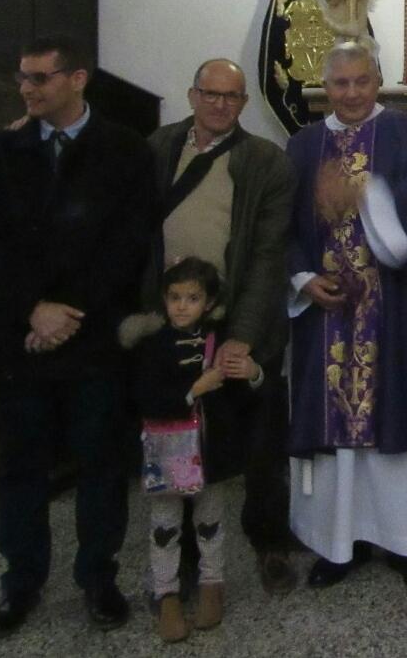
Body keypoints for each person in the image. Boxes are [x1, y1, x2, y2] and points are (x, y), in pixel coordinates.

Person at [0, 35, 155, 639]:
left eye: (41, 78)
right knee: (20, 469)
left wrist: (67, 313)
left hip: (92, 338)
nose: (27, 88)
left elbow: (129, 246)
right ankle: (19, 584)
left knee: (101, 466)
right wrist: (32, 311)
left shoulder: (124, 151)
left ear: (78, 79)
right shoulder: (3, 151)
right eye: (23, 77)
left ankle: (98, 579)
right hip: (21, 340)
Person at [286, 39, 407, 591]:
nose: (351, 93)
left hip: (392, 309)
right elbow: (278, 225)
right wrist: (303, 279)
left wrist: (364, 190)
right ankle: (337, 544)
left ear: (377, 81)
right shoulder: (304, 145)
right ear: (324, 88)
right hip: (324, 313)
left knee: (398, 421)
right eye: (339, 84)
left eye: (361, 81)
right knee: (333, 431)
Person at [147, 58, 299, 595]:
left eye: (232, 97)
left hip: (240, 319)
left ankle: (270, 543)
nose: (221, 105)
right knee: (180, 438)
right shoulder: (157, 149)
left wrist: (245, 336)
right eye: (211, 94)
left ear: (243, 103)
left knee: (260, 443)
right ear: (192, 95)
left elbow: (265, 256)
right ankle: (183, 554)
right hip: (174, 322)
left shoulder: (266, 162)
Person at [128, 257, 265, 642]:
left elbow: (244, 394)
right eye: (175, 297)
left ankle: (212, 585)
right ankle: (166, 593)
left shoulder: (219, 342)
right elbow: (145, 397)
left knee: (210, 523)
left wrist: (252, 372)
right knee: (164, 526)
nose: (182, 306)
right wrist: (194, 390)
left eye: (192, 297)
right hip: (167, 452)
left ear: (208, 302)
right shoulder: (151, 345)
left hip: (211, 453)